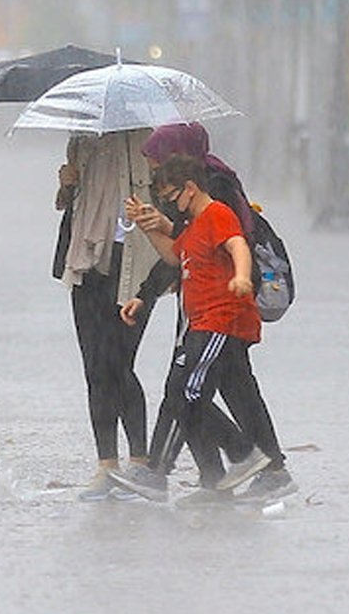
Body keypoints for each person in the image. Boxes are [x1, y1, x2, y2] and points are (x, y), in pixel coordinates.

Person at [118, 155, 295, 506]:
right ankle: (215, 478)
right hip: (202, 321)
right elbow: (174, 257)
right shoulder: (194, 224)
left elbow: (237, 245)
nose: (170, 204)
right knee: (185, 394)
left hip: (219, 320)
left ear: (190, 188)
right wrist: (147, 227)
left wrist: (241, 276)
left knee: (185, 393)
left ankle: (241, 454)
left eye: (172, 196)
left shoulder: (216, 213)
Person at [54, 130, 163, 501]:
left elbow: (169, 203)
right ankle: (107, 465)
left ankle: (139, 462)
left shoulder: (148, 142)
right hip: (86, 261)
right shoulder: (81, 140)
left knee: (119, 364)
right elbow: (67, 205)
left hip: (133, 264)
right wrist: (67, 184)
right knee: (95, 368)